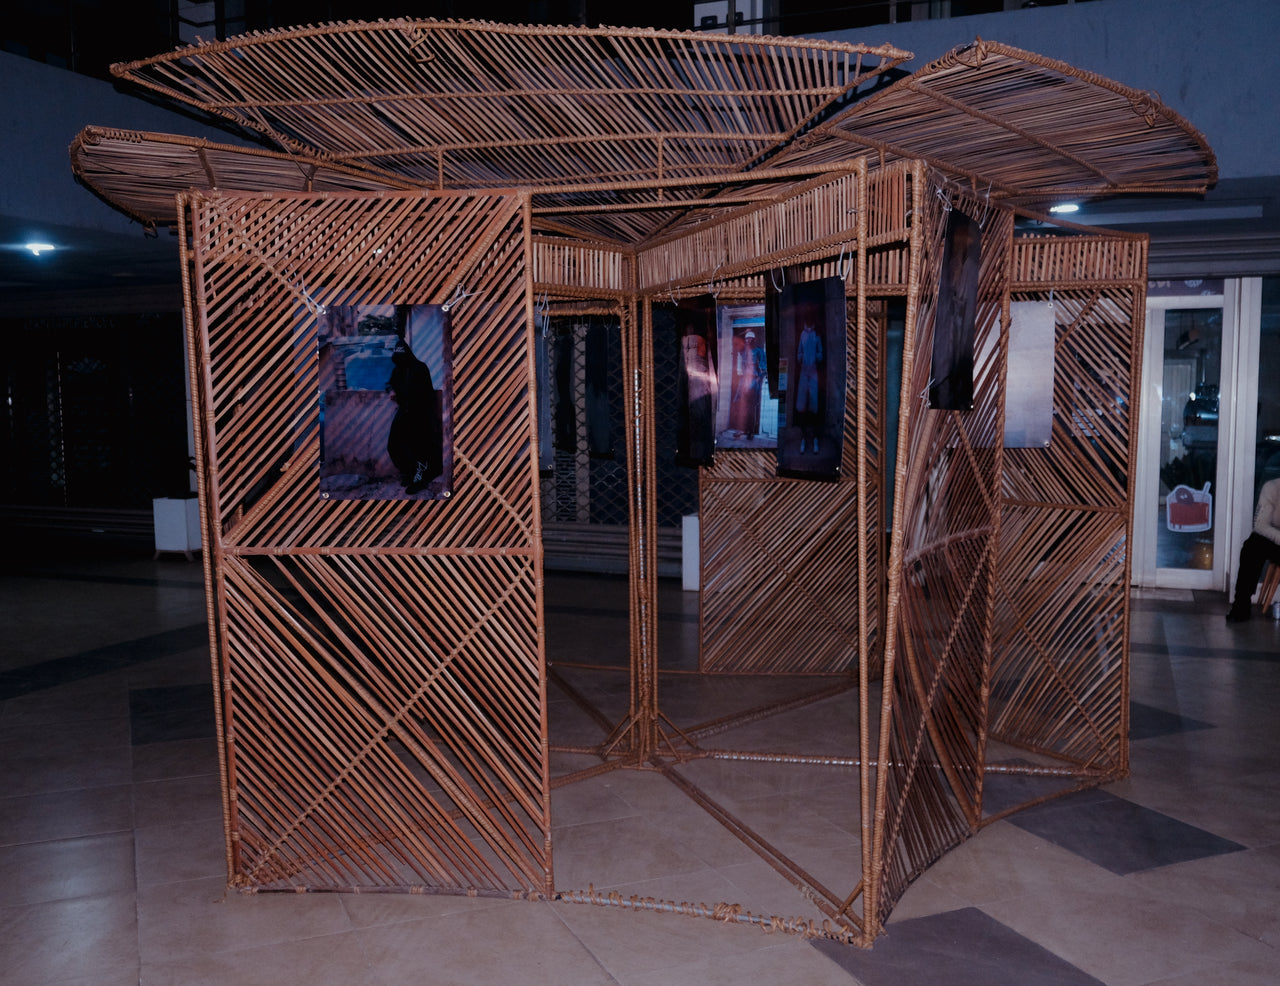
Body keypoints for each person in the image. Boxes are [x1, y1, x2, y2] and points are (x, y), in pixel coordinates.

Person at [1226, 476, 1280, 622]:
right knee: (1253, 545)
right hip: (1277, 540)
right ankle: (1241, 606)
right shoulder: (1272, 488)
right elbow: (1260, 525)